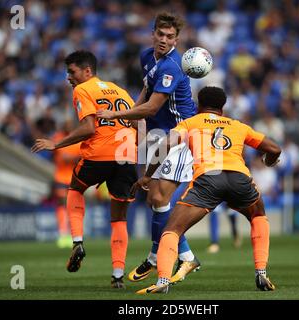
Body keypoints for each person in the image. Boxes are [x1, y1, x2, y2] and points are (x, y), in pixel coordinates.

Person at [131, 86, 281, 294]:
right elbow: (274, 149)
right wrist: (269, 161)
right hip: (239, 179)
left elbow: (166, 144)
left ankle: (163, 280)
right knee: (258, 217)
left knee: (172, 230)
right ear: (222, 107)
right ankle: (261, 272)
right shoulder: (238, 125)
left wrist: (148, 175)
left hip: (209, 179)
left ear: (199, 105)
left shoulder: (191, 122)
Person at [96, 12, 200, 284]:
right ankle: (186, 256)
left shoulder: (173, 66)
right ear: (153, 34)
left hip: (180, 134)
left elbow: (153, 106)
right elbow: (145, 94)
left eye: (170, 37)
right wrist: (132, 117)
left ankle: (156, 257)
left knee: (157, 199)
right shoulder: (146, 57)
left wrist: (117, 116)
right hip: (157, 133)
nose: (164, 40)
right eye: (160, 35)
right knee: (155, 199)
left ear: (176, 40)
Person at [31, 50, 138, 289]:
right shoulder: (120, 90)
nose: (68, 77)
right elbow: (137, 122)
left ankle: (77, 241)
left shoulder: (82, 89)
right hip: (127, 155)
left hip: (99, 152)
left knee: (75, 189)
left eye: (72, 71)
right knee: (119, 218)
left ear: (87, 71)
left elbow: (89, 128)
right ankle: (118, 275)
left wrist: (56, 143)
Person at [51, 119, 81, 249]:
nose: (68, 126)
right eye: (66, 124)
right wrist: (77, 157)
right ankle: (62, 234)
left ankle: (71, 234)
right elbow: (64, 157)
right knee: (62, 204)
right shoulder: (58, 137)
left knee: (73, 207)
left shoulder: (78, 138)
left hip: (75, 178)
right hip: (61, 178)